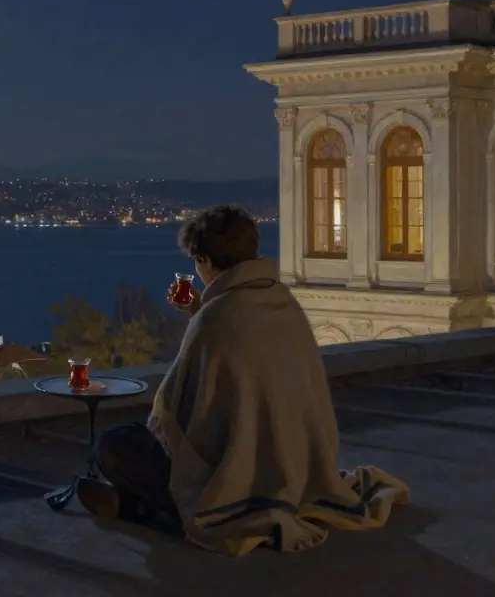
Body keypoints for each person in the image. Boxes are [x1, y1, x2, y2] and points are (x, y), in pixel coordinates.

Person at [82, 204, 409, 556]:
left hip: (237, 476)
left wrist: (200, 315)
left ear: (205, 261)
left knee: (115, 445)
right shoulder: (281, 301)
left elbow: (181, 415)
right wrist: (197, 309)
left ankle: (137, 509)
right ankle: (136, 505)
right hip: (296, 464)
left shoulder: (215, 318)